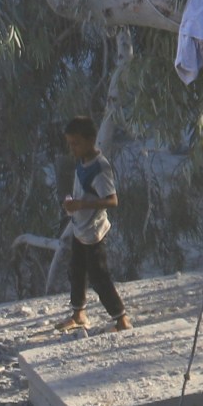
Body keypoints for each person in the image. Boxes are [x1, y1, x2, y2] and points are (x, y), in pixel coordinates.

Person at [58, 116, 129, 331]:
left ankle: (121, 318)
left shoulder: (100, 168)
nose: (73, 149)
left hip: (94, 231)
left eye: (76, 143)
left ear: (91, 140)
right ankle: (78, 314)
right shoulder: (83, 162)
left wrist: (81, 205)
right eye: (70, 144)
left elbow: (112, 200)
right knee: (76, 270)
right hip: (81, 228)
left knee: (99, 276)